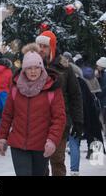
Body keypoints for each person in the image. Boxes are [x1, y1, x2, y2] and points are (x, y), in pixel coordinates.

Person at [0, 50, 66, 176]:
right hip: (18, 144)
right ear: (24, 70)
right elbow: (7, 115)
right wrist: (2, 138)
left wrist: (52, 140)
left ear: (42, 69)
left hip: (41, 145)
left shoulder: (51, 89)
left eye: (36, 68)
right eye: (29, 68)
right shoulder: (15, 88)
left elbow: (59, 118)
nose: (33, 71)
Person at [35, 31, 83, 176]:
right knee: (41, 162)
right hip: (38, 121)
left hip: (60, 121)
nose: (41, 49)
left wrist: (78, 121)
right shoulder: (33, 65)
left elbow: (75, 95)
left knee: (57, 160)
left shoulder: (65, 67)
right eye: (39, 46)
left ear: (52, 47)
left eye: (45, 46)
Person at [68, 55, 105, 175]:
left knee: (76, 137)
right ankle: (95, 155)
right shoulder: (87, 74)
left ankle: (85, 156)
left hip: (79, 108)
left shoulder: (75, 78)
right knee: (94, 129)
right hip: (92, 103)